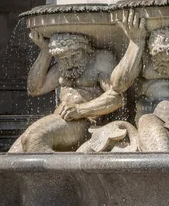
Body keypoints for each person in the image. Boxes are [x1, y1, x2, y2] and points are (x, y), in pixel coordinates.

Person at [9, 11, 147, 153]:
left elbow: (117, 98)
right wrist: (45, 51)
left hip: (84, 121)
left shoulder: (99, 60)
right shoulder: (64, 66)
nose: (70, 62)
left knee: (34, 139)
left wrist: (80, 110)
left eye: (75, 56)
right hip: (60, 119)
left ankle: (60, 174)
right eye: (64, 58)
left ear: (85, 49)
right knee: (14, 153)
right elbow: (34, 88)